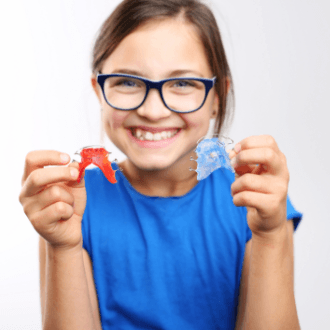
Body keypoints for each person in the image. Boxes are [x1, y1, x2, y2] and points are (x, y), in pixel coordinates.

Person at [19, 0, 303, 329]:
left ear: (217, 98)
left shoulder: (256, 203)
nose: (153, 111)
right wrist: (63, 245)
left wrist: (269, 236)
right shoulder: (70, 204)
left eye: (182, 83)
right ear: (99, 91)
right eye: (127, 81)